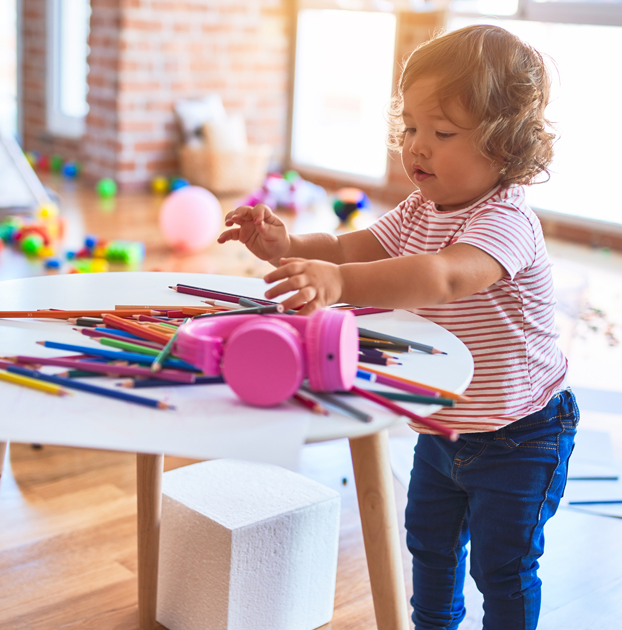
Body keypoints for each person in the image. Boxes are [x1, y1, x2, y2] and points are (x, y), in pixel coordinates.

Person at [217, 24, 577, 629]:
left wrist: (339, 287)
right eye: (411, 128)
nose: (417, 147)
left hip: (521, 435)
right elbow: (351, 246)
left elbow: (442, 278)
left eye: (442, 132)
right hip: (442, 427)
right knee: (429, 549)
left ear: (506, 144)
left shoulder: (507, 220)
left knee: (503, 568)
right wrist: (286, 247)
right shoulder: (420, 208)